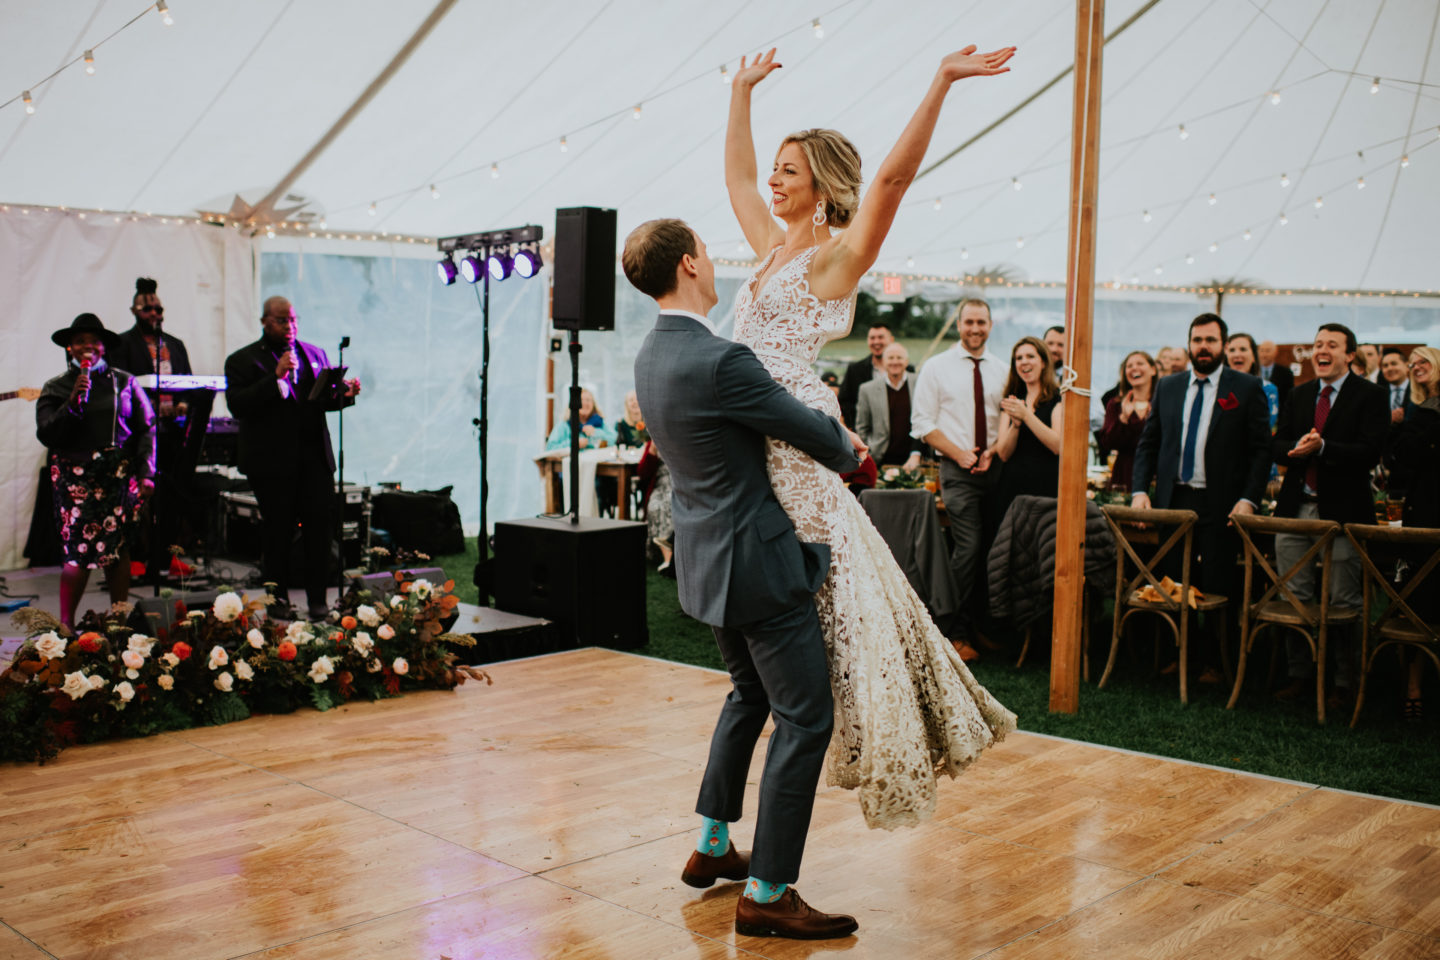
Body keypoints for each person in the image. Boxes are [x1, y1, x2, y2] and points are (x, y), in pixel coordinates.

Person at [727, 45, 1016, 828]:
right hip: (756, 433)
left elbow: (890, 181)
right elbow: (737, 181)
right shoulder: (767, 251)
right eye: (778, 168)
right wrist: (741, 93)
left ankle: (844, 723)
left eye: (792, 169)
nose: (776, 180)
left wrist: (942, 82)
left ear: (821, 184)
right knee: (792, 619)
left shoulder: (832, 263)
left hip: (790, 445)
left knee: (823, 608)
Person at [625, 217, 863, 940]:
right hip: (758, 566)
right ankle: (767, 891)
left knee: (749, 694)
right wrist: (841, 431)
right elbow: (812, 435)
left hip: (705, 560)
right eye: (709, 249)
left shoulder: (649, 356)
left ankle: (713, 842)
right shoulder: (722, 360)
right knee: (805, 716)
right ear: (692, 263)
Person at [1131, 313, 1271, 685]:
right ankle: (1180, 656)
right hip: (1173, 500)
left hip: (1221, 502)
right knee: (1173, 583)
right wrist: (1140, 490)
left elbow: (1261, 451)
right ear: (1189, 343)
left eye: (1210, 340)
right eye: (1197, 340)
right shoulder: (1170, 385)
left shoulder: (1246, 387)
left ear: (1223, 345)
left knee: (1216, 583)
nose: (1203, 347)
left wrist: (1248, 499)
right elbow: (1149, 443)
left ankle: (1215, 661)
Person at [1270, 324, 1388, 710]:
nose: (1322, 350)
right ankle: (1299, 676)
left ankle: (1344, 682)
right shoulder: (1301, 394)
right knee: (1295, 594)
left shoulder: (1371, 396)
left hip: (1343, 511)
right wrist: (1297, 449)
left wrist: (1324, 448)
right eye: (1318, 344)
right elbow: (1278, 444)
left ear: (1350, 355)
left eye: (1332, 346)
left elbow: (1370, 452)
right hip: (1295, 509)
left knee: (1343, 599)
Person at [224, 296, 360, 620]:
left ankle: (318, 600)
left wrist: (345, 395)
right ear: (265, 322)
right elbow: (238, 405)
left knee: (319, 531)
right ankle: (278, 598)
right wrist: (276, 378)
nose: (290, 327)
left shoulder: (314, 353)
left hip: (313, 458)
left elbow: (321, 400)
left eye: (293, 320)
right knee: (278, 533)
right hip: (271, 462)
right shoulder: (242, 360)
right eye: (282, 320)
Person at [36, 314, 156, 628]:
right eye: (80, 342)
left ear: (104, 347)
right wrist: (73, 400)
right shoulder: (56, 387)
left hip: (115, 476)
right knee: (78, 552)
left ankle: (119, 619)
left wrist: (147, 472)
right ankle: (65, 626)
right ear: (69, 348)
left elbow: (147, 428)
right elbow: (47, 433)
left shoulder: (124, 382)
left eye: (94, 341)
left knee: (116, 549)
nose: (88, 347)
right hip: (74, 478)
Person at [912, 298, 1004, 660]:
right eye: (969, 322)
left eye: (981, 322)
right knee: (968, 547)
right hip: (956, 470)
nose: (975, 328)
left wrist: (992, 451)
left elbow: (1006, 421)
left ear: (991, 325)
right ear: (959, 325)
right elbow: (922, 424)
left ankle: (981, 626)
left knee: (992, 549)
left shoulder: (1002, 368)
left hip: (995, 470)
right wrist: (960, 454)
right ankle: (949, 630)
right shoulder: (936, 367)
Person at [113, 277, 198, 578]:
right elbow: (121, 388)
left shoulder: (175, 345)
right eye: (148, 309)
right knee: (139, 496)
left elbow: (188, 383)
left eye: (158, 309)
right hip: (139, 435)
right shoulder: (122, 344)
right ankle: (137, 555)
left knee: (172, 494)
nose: (155, 315)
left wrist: (184, 406)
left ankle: (166, 555)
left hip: (172, 431)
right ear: (135, 310)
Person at [1381, 345, 1439, 720]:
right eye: (1413, 363)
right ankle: (1413, 685)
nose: (1416, 367)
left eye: (1424, 361)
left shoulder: (1422, 415)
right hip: (1422, 510)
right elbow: (1400, 462)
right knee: (1418, 600)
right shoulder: (1417, 413)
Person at [993, 336, 1062, 522]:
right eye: (1019, 358)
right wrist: (1015, 426)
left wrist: (1026, 416)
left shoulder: (1058, 399)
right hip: (1012, 487)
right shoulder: (1012, 399)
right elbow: (1003, 453)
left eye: (1030, 356)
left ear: (1043, 362)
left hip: (1045, 486)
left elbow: (1057, 445)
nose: (1024, 362)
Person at [1096, 350, 1157, 493]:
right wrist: (1123, 419)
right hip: (1124, 473)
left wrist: (1137, 421)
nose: (1134, 368)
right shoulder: (1115, 404)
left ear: (1153, 370)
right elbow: (1107, 443)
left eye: (1140, 363)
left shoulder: (1161, 403)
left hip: (1154, 472)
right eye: (1129, 366)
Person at [855, 342, 922, 469]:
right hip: (880, 459)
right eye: (890, 358)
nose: (895, 362)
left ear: (906, 362)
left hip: (914, 459)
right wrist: (870, 452)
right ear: (884, 362)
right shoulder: (867, 389)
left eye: (899, 358)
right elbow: (862, 427)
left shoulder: (920, 382)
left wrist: (917, 453)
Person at [837, 322, 894, 427]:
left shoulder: (906, 370)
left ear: (891, 340)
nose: (876, 342)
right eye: (872, 338)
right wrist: (856, 426)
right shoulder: (855, 370)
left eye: (881, 337)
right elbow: (844, 402)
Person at [1225, 333, 1280, 428]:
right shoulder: (1217, 387)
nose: (1237, 354)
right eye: (1232, 350)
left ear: (1254, 356)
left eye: (1243, 349)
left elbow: (1266, 427)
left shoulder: (1267, 388)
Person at [545, 388, 616, 451]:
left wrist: (596, 433)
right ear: (574, 404)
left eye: (588, 400)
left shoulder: (601, 423)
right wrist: (574, 443)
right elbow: (550, 448)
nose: (584, 403)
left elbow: (615, 440)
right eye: (581, 400)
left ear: (593, 404)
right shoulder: (564, 425)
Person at [1258, 339, 1294, 413]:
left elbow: (1288, 399)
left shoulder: (1286, 374)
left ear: (1275, 352)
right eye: (1261, 350)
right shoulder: (1251, 372)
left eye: (1267, 351)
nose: (1264, 354)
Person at [1380, 347, 1411, 424]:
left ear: (1407, 366)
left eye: (1394, 364)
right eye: (1385, 366)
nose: (1389, 368)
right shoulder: (1378, 393)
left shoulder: (1419, 391)